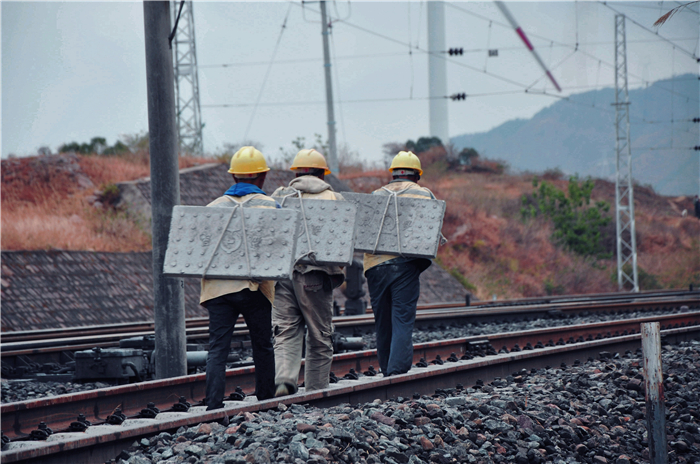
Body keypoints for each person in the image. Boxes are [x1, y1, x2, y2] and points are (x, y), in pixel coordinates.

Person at [201, 146, 277, 408]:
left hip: (217, 289)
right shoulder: (271, 205)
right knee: (262, 345)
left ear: (233, 177)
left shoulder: (212, 207)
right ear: (262, 177)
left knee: (217, 348)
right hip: (254, 288)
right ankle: (266, 398)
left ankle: (213, 404)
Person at [271, 149, 346, 396]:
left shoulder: (280, 196)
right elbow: (344, 240)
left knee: (285, 330)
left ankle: (284, 379)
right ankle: (315, 390)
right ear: (322, 173)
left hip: (284, 275)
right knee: (319, 336)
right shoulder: (334, 199)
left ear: (296, 172)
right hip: (315, 275)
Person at [363, 151, 441, 377]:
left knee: (383, 321)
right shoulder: (424, 194)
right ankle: (396, 372)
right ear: (417, 176)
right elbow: (432, 229)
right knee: (402, 318)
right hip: (405, 265)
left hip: (375, 266)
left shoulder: (375, 194)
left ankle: (386, 368)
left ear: (394, 175)